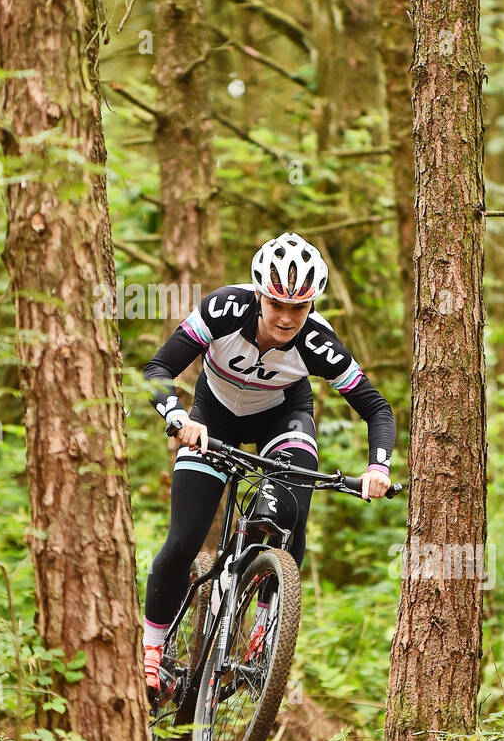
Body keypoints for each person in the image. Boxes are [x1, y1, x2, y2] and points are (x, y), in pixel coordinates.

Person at [141, 231, 396, 693]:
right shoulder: (222, 310)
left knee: (286, 512)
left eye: (298, 308)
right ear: (259, 295)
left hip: (283, 419)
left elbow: (377, 409)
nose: (285, 317)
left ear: (311, 305)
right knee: (183, 541)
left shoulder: (318, 343)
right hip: (211, 418)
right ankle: (152, 652)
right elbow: (157, 370)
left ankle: (262, 635)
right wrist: (178, 417)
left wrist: (378, 467)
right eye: (276, 304)